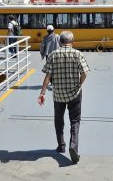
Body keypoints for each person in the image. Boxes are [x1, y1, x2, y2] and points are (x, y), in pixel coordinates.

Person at [38, 31, 90, 164]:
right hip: (75, 94)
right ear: (72, 42)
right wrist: (79, 84)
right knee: (75, 121)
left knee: (59, 121)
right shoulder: (78, 54)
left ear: (60, 42)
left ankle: (61, 145)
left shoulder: (53, 55)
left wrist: (42, 93)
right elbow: (84, 73)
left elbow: (47, 76)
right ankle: (73, 146)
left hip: (58, 94)